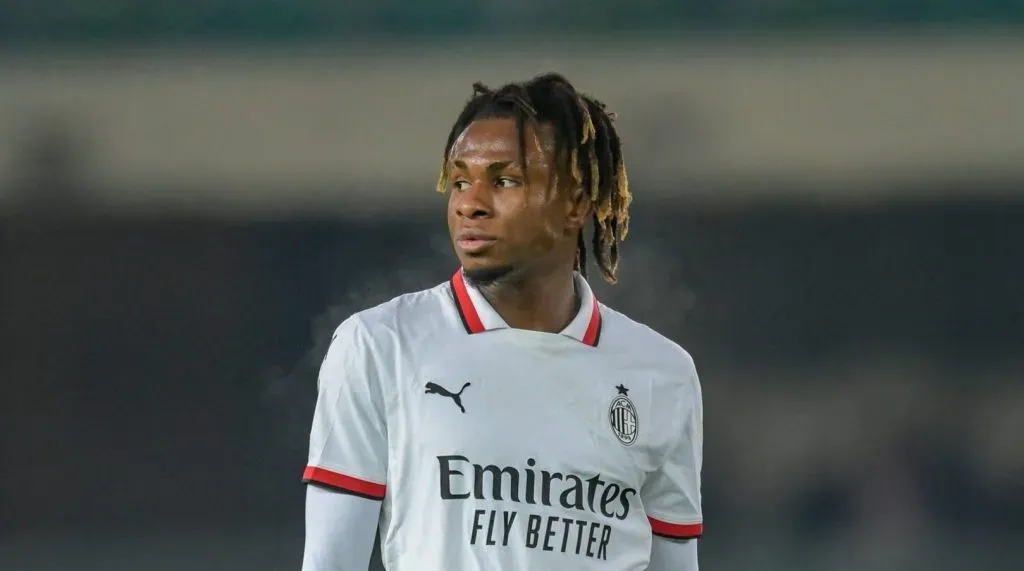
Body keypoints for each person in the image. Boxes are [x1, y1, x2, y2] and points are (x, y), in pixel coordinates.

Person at [301, 73, 703, 571]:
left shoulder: (663, 372)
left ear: (576, 203)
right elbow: (330, 562)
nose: (470, 203)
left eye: (504, 181)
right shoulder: (381, 345)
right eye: (460, 181)